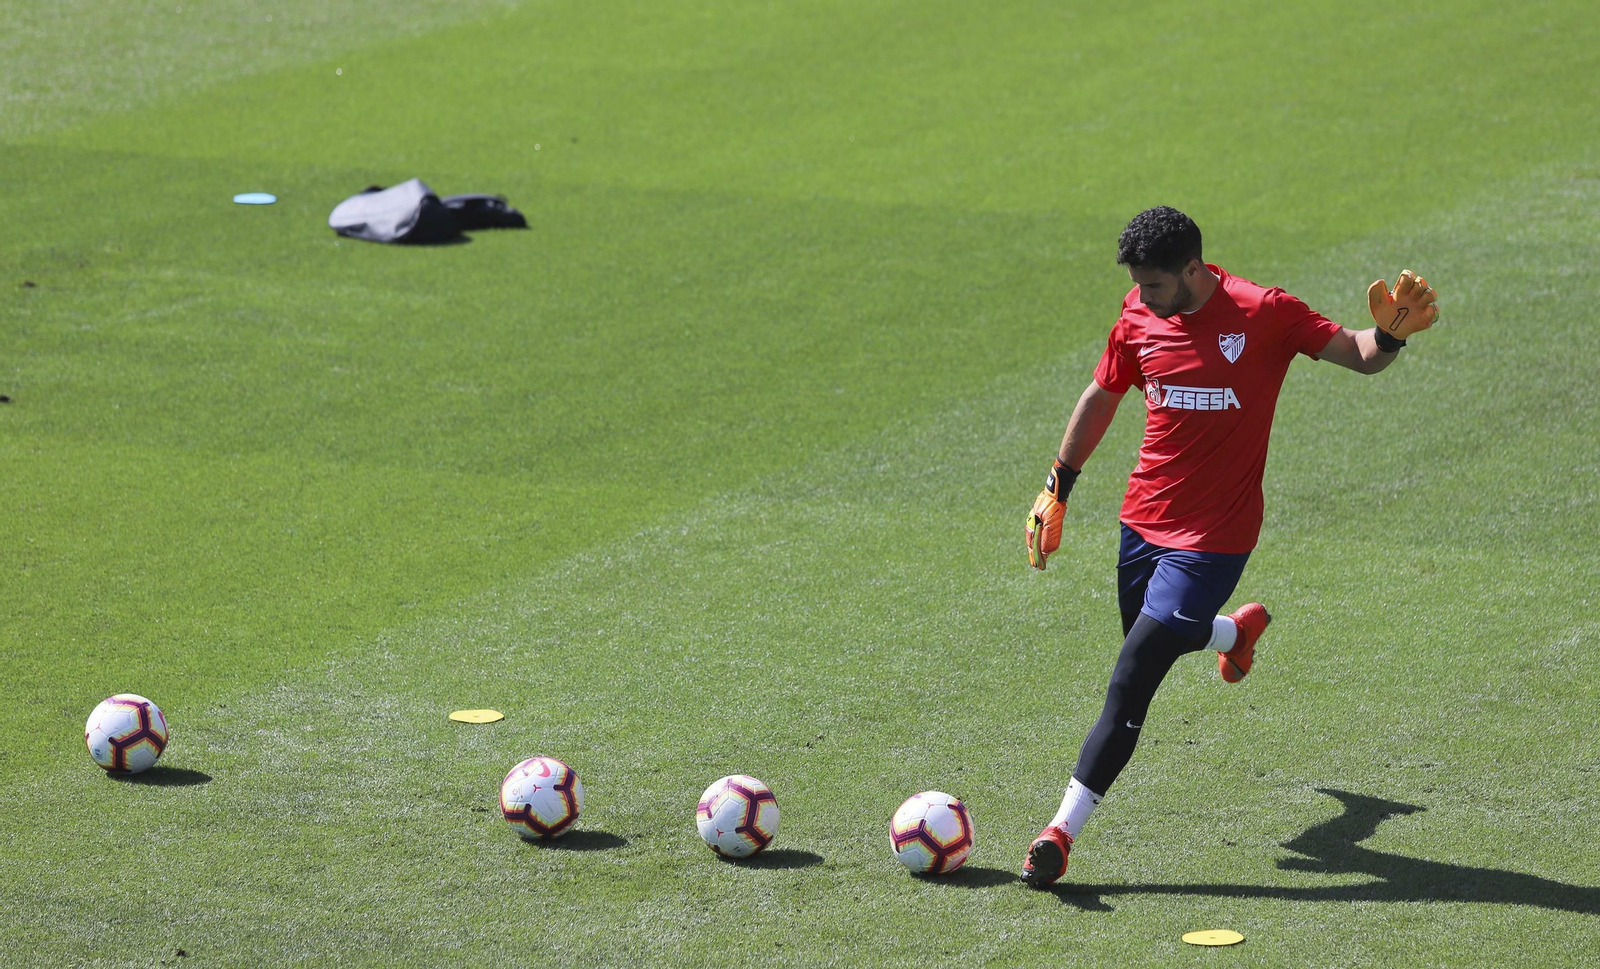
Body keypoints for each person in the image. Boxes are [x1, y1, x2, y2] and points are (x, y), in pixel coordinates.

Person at [1017, 206, 1438, 888]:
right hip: (1143, 522)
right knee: (1155, 640)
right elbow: (1104, 391)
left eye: (1155, 284)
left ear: (1194, 269)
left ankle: (1059, 831)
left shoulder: (1264, 313)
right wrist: (1057, 486)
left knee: (1134, 674)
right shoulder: (1137, 313)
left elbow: (1356, 353)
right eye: (1138, 285)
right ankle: (1232, 633)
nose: (1143, 296)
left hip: (1216, 536)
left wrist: (1389, 338)